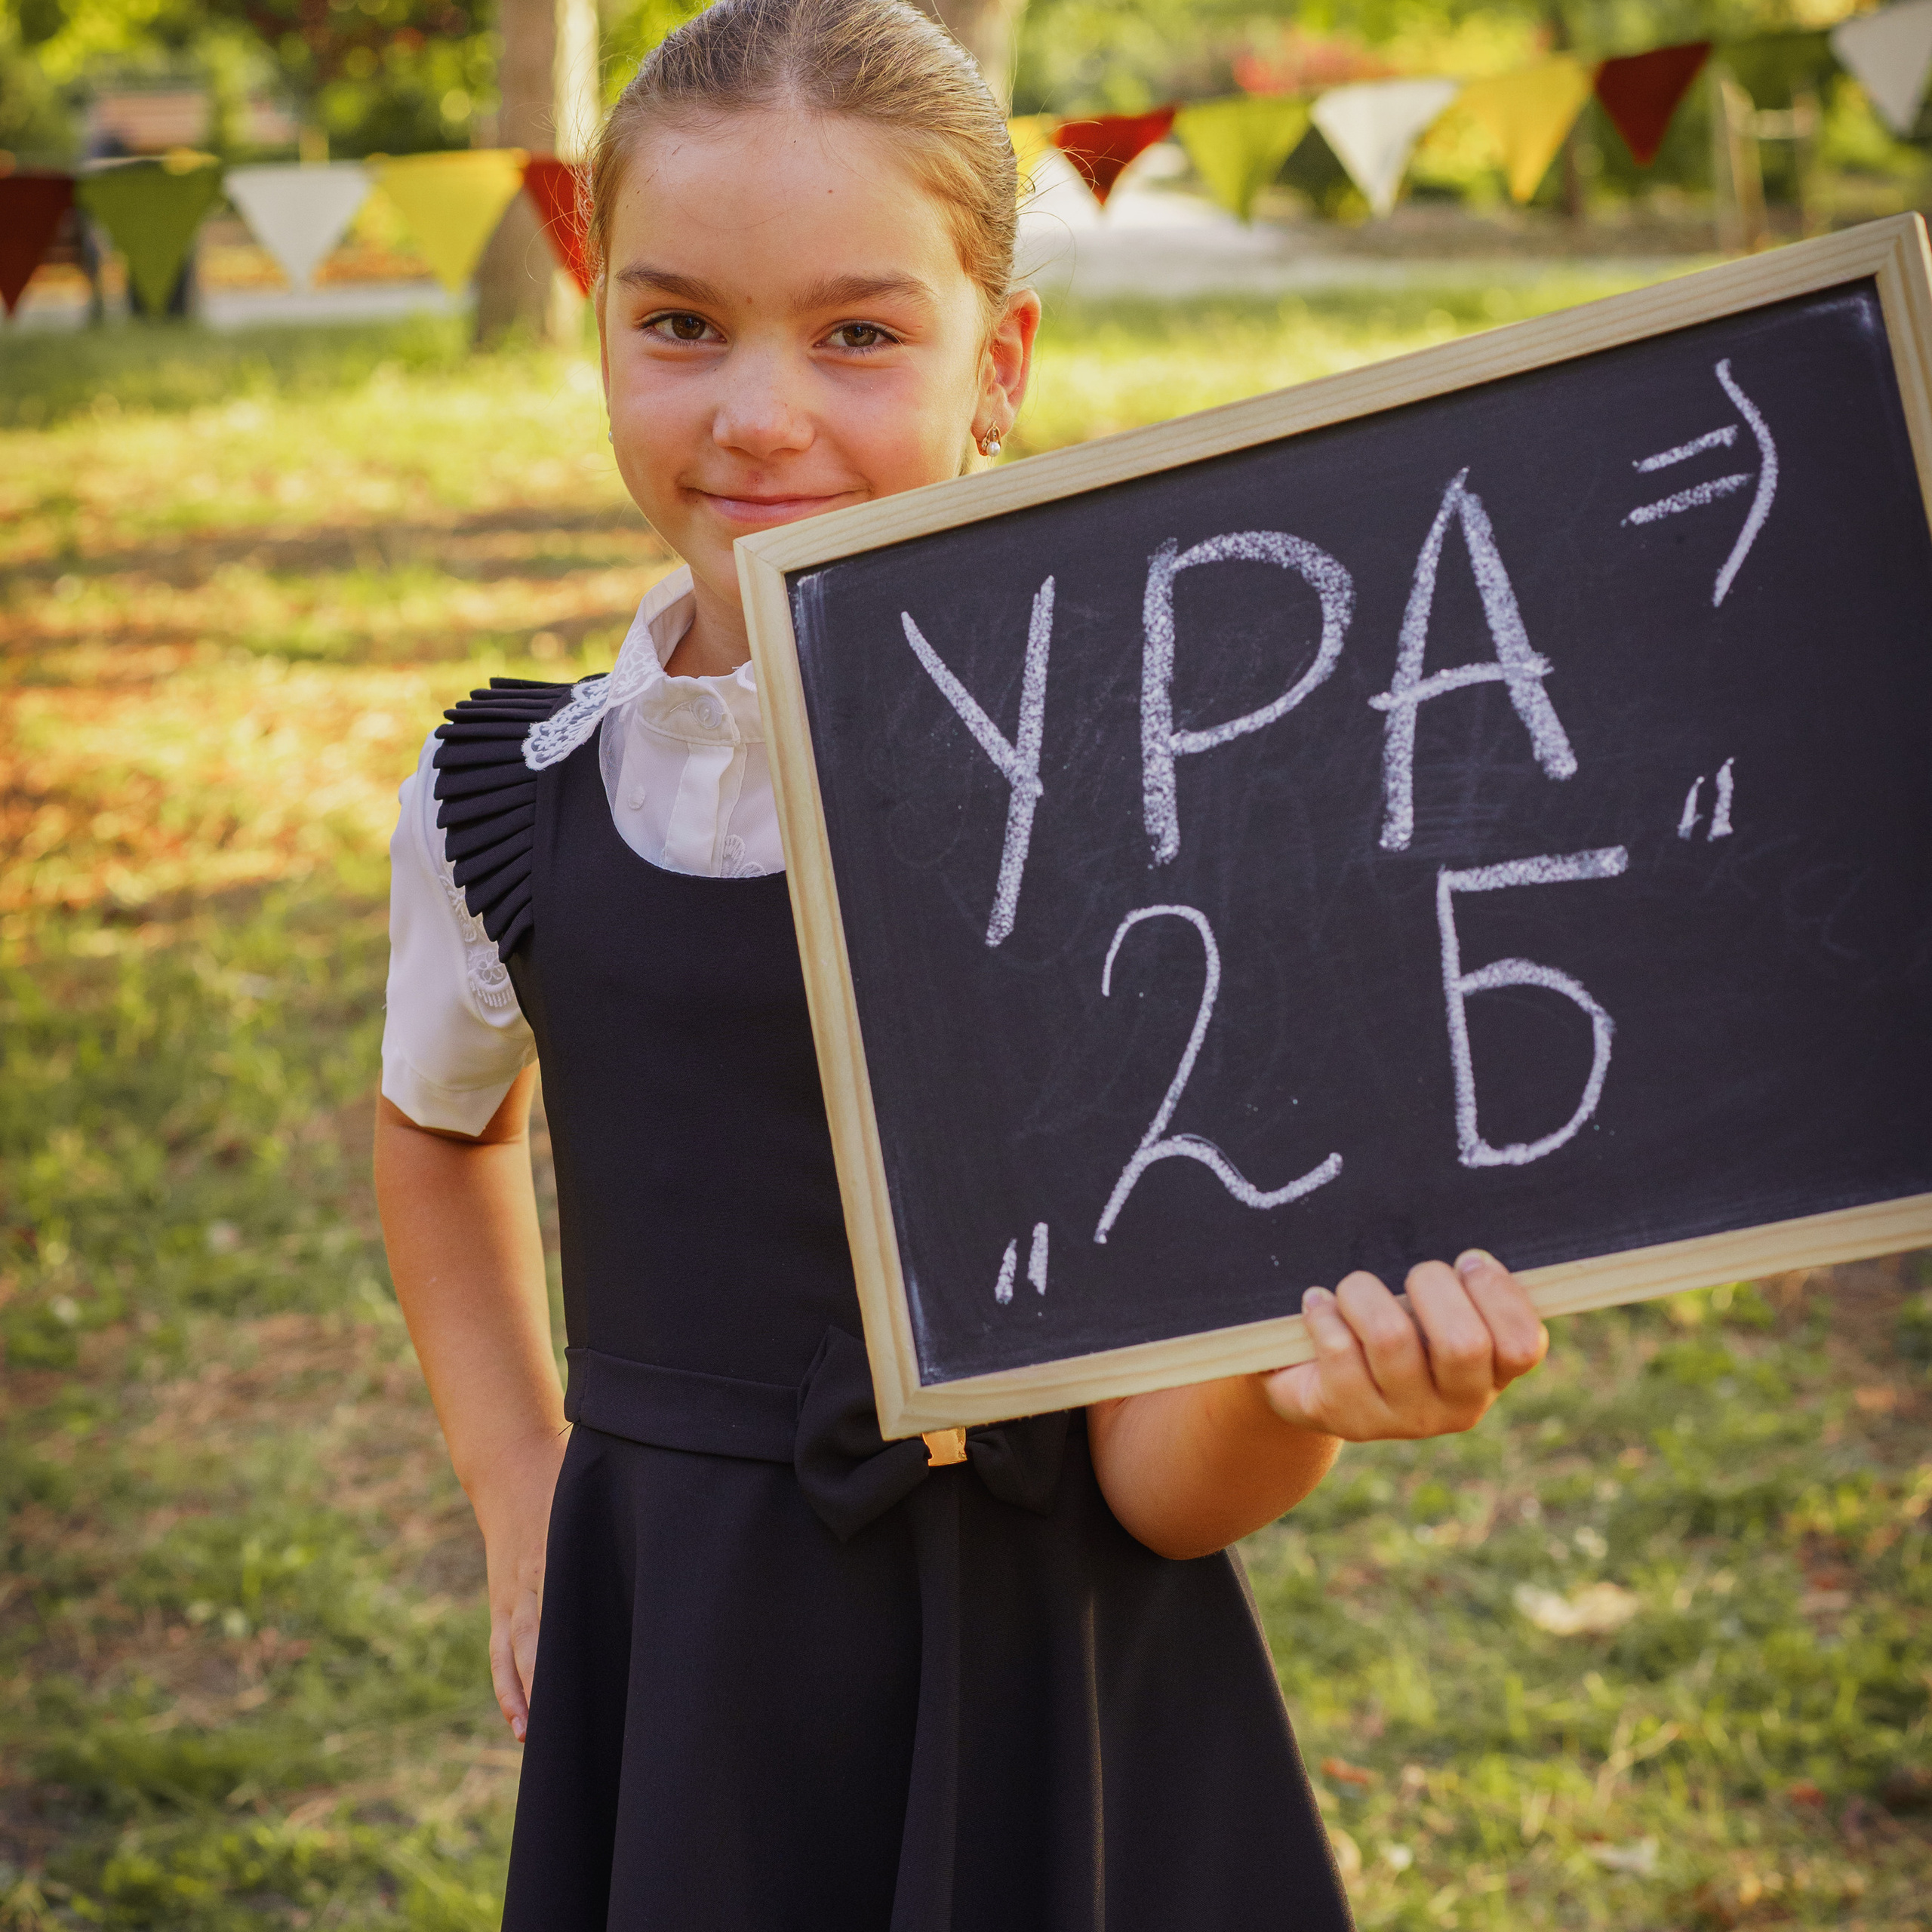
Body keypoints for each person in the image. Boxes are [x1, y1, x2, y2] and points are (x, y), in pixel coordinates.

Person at [372, 2, 1550, 1924]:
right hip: (690, 1681)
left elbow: (1166, 1483)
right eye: (679, 323)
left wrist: (1299, 1390)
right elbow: (436, 1132)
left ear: (993, 362)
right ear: (595, 320)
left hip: (1056, 1692)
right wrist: (523, 1494)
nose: (760, 414)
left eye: (857, 331)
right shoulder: (512, 796)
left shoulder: (1135, 803)